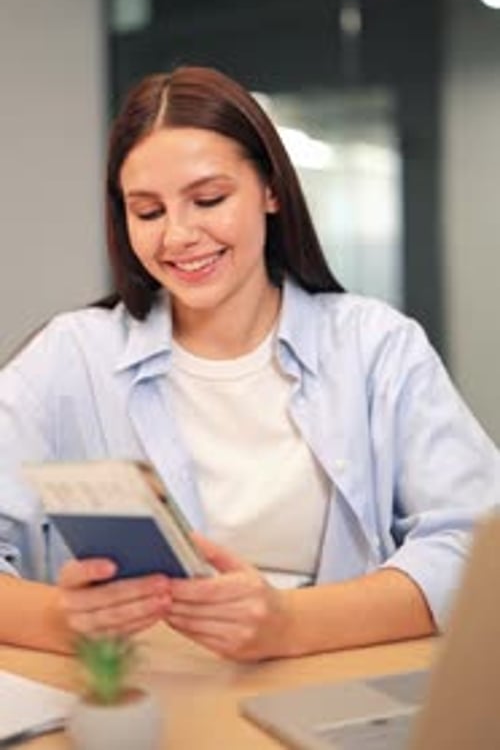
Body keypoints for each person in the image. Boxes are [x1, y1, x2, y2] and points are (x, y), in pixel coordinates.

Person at [0, 66, 499, 662]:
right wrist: (62, 619)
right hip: (151, 698)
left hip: (332, 688)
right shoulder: (70, 358)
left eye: (208, 199)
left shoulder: (375, 346)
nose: (179, 235)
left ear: (270, 190)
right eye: (148, 211)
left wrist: (288, 623)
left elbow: (478, 546)